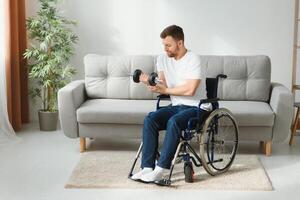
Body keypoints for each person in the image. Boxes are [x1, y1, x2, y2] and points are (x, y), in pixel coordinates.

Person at [131, 25, 211, 183]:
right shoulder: (162, 59)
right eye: (163, 45)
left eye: (168, 45)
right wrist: (150, 82)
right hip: (177, 106)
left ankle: (161, 169)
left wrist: (166, 88)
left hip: (198, 107)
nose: (165, 49)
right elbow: (164, 86)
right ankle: (147, 167)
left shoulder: (194, 59)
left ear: (180, 43)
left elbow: (190, 90)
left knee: (174, 122)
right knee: (150, 119)